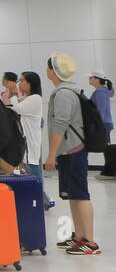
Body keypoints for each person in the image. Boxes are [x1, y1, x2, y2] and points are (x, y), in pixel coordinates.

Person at [46, 54, 100, 255]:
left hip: (72, 149)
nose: (47, 70)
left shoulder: (63, 94)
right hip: (70, 149)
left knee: (81, 194)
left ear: (53, 71)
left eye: (49, 67)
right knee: (74, 195)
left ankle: (90, 241)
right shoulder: (67, 91)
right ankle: (80, 236)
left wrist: (51, 154)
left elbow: (60, 124)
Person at [11, 71, 46, 184]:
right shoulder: (28, 98)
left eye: (22, 81)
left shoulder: (35, 98)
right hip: (27, 144)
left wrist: (13, 94)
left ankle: (40, 199)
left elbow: (17, 108)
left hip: (30, 145)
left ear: (30, 83)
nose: (19, 84)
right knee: (29, 176)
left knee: (33, 177)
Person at [88, 72, 115, 178]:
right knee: (106, 148)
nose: (89, 79)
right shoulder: (102, 92)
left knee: (107, 148)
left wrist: (98, 126)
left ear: (97, 79)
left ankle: (109, 172)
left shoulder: (100, 93)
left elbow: (100, 111)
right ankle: (109, 171)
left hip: (103, 124)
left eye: (91, 77)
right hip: (104, 124)